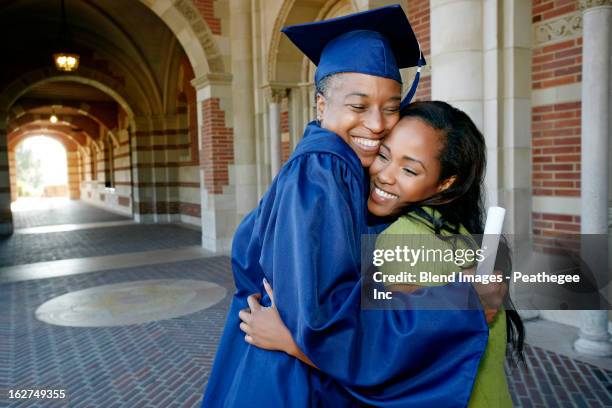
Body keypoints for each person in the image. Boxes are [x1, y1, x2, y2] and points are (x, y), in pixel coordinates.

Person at [202, 6, 505, 407]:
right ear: (322, 105)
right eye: (359, 107)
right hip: (291, 382)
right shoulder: (323, 168)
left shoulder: (337, 166)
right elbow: (328, 323)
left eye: (392, 106)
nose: (378, 124)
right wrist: (461, 307)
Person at [240, 101, 525, 407]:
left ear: (446, 182)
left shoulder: (403, 241)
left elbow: (399, 365)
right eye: (384, 155)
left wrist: (292, 343)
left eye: (410, 169)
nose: (385, 175)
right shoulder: (461, 231)